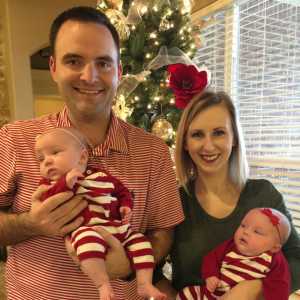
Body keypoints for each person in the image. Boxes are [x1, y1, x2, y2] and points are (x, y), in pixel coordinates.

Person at [0, 6, 184, 300]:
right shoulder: (14, 138)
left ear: (119, 72)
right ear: (53, 68)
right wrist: (30, 223)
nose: (90, 76)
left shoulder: (153, 152)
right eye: (74, 60)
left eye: (103, 63)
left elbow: (164, 231)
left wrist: (127, 265)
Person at [153, 91, 300, 300]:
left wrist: (251, 290)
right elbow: (151, 269)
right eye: (197, 134)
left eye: (219, 133)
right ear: (185, 142)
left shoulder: (265, 195)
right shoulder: (175, 202)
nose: (208, 146)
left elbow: (297, 258)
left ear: (234, 138)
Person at [35, 127, 167, 300]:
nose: (47, 161)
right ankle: (103, 285)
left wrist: (126, 206)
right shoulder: (51, 184)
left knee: (141, 242)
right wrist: (66, 184)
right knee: (87, 244)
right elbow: (47, 201)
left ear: (82, 157)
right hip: (86, 230)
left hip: (116, 229)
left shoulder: (101, 176)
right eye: (41, 159)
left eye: (55, 152)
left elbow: (122, 191)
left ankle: (144, 284)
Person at [176, 208, 291, 300]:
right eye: (243, 225)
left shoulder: (274, 260)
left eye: (256, 231)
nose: (245, 232)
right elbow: (211, 259)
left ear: (274, 248)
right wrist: (211, 276)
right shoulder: (230, 246)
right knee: (186, 293)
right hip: (211, 293)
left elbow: (280, 286)